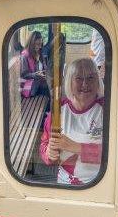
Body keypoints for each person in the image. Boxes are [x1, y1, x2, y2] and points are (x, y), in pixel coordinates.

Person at [39, 57, 105, 185]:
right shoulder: (58, 111)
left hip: (99, 183)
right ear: (70, 82)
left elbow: (113, 153)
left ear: (97, 81)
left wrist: (75, 147)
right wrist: (49, 154)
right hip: (65, 182)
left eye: (90, 78)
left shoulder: (107, 110)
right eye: (79, 78)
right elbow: (44, 144)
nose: (85, 84)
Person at [20, 30, 50, 98]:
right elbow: (24, 75)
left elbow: (44, 68)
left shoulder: (41, 53)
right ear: (31, 43)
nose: (39, 47)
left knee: (50, 90)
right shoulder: (25, 55)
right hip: (30, 87)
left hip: (40, 84)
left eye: (40, 44)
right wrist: (36, 74)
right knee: (47, 92)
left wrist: (45, 72)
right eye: (36, 44)